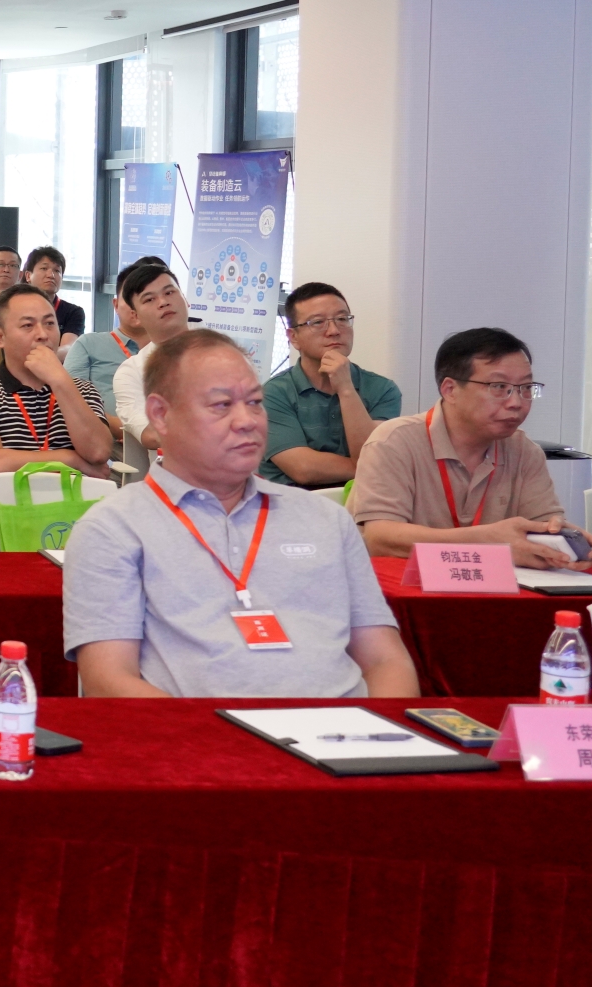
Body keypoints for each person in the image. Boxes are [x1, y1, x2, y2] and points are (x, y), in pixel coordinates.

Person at [64, 330, 420, 699]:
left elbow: (386, 661)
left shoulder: (326, 519)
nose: (247, 420)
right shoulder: (113, 528)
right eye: (222, 405)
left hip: (345, 728)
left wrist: (377, 730)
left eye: (254, 402)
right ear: (161, 415)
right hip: (200, 730)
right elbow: (108, 680)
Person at [349, 326, 592, 570]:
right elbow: (381, 537)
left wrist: (563, 543)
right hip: (398, 590)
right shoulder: (393, 442)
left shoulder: (524, 451)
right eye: (499, 387)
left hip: (494, 589)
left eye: (525, 388)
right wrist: (489, 542)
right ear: (450, 390)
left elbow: (543, 525)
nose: (516, 402)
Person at [0, 286, 117, 479]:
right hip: (7, 498)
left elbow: (98, 452)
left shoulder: (82, 389)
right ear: (0, 338)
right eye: (27, 325)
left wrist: (60, 382)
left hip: (78, 498)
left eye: (49, 323)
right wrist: (70, 459)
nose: (43, 334)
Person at [260, 282, 406, 488]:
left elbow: (370, 453)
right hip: (291, 503)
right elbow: (303, 469)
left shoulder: (382, 390)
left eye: (342, 319)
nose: (334, 330)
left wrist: (345, 388)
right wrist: (366, 466)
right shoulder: (273, 393)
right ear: (294, 337)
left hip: (361, 503)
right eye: (318, 322)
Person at [103, 264, 194, 445]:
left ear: (185, 299)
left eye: (169, 292)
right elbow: (150, 435)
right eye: (150, 299)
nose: (163, 302)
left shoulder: (222, 353)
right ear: (136, 316)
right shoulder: (132, 372)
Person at [65, 256, 167, 406]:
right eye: (130, 298)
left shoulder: (174, 350)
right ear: (116, 304)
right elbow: (70, 401)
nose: (136, 306)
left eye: (148, 299)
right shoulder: (88, 344)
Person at [22, 245, 87, 336]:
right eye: (44, 268)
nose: (51, 275)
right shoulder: (14, 307)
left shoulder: (72, 312)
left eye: (57, 271)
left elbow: (68, 344)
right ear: (28, 276)